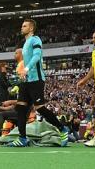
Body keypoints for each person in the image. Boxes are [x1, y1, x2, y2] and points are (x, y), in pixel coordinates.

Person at [6, 19, 68, 147]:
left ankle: (62, 129)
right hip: (26, 81)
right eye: (22, 25)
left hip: (36, 80)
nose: (21, 28)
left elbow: (37, 56)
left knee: (41, 109)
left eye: (25, 26)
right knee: (21, 108)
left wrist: (27, 69)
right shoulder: (26, 43)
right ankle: (22, 138)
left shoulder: (35, 39)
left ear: (31, 28)